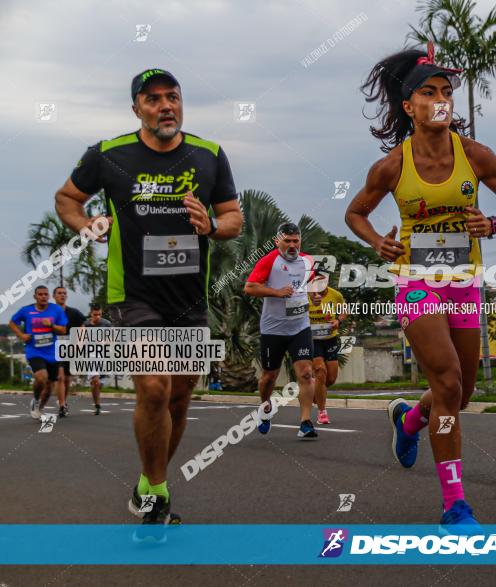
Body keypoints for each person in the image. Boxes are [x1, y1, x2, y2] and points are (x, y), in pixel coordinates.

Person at [346, 43, 496, 531]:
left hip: (463, 283)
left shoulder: (476, 155)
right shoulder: (393, 165)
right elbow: (356, 214)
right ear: (409, 107)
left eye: (446, 92)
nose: (440, 100)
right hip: (415, 283)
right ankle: (455, 504)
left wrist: (491, 225)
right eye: (428, 92)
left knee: (460, 395)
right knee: (447, 380)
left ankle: (409, 419)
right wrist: (377, 246)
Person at [54, 68, 243, 530]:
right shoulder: (108, 155)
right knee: (154, 386)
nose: (165, 106)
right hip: (132, 295)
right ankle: (157, 494)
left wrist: (212, 228)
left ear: (181, 103)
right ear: (137, 107)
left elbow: (232, 217)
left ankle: (147, 481)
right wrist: (88, 225)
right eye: (153, 99)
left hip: (188, 297)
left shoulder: (209, 154)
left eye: (172, 97)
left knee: (179, 397)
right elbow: (66, 199)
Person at [244, 222, 318, 439]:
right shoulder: (269, 261)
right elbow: (249, 287)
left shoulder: (308, 261)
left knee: (305, 373)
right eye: (287, 241)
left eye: (296, 241)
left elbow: (312, 283)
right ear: (278, 241)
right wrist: (276, 292)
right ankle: (265, 407)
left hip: (300, 327)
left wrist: (315, 294)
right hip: (273, 329)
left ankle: (305, 422)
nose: (292, 245)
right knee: (269, 377)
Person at [9, 286, 68, 419]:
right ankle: (35, 400)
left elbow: (63, 330)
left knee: (49, 387)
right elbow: (12, 323)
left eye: (45, 294)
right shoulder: (26, 310)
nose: (43, 297)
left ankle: (39, 407)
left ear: (49, 296)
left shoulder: (56, 310)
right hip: (34, 351)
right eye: (40, 294)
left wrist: (51, 325)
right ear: (35, 296)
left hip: (52, 352)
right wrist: (21, 335)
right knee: (41, 377)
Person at [307, 273, 346, 424]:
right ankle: (322, 413)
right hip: (312, 340)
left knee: (331, 378)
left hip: (330, 339)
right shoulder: (308, 295)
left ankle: (314, 393)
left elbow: (344, 311)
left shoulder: (335, 295)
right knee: (320, 371)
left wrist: (338, 321)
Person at [52, 286, 86, 404]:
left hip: (70, 349)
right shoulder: (49, 312)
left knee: (66, 379)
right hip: (54, 348)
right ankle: (61, 405)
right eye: (59, 293)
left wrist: (80, 343)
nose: (62, 295)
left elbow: (82, 327)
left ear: (66, 296)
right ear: (54, 296)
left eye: (64, 293)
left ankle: (63, 402)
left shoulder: (74, 312)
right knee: (60, 377)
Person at [83, 305, 112, 415]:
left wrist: (104, 342)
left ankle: (96, 395)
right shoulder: (85, 324)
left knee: (99, 384)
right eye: (95, 315)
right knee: (95, 380)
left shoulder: (106, 324)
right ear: (91, 314)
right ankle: (97, 405)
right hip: (90, 355)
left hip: (103, 355)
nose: (97, 317)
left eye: (99, 314)